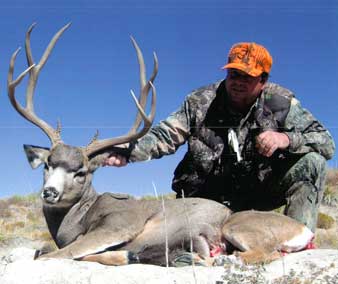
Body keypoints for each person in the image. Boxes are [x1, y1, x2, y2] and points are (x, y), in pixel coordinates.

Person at [105, 42, 335, 232]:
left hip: (255, 194)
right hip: (203, 199)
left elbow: (326, 144)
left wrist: (286, 140)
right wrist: (128, 151)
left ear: (263, 80)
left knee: (312, 163)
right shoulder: (200, 101)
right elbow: (165, 136)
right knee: (185, 255)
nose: (238, 82)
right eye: (233, 74)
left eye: (247, 76)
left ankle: (297, 243)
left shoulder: (281, 103)